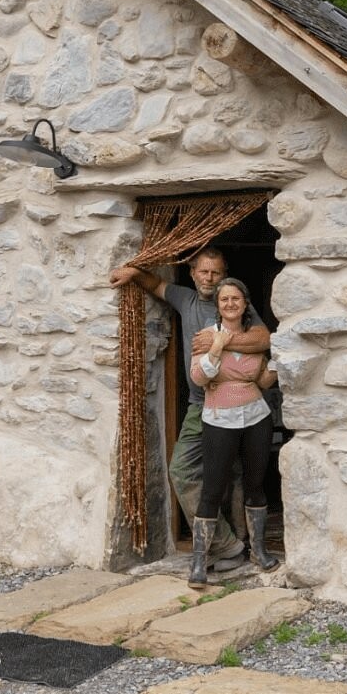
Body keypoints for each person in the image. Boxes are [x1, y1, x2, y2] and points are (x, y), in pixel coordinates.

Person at [109, 247, 268, 573]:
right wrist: (134, 274)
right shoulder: (187, 300)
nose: (209, 279)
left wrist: (218, 343)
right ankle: (227, 544)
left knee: (242, 477)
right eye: (203, 272)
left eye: (216, 273)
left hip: (245, 406)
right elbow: (157, 286)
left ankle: (247, 547)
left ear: (225, 274)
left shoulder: (239, 305)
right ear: (193, 273)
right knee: (183, 471)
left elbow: (264, 340)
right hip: (201, 407)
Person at [189, 278, 280, 585]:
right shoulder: (206, 336)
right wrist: (217, 345)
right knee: (213, 489)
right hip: (219, 418)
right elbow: (200, 377)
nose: (230, 304)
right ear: (218, 306)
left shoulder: (255, 337)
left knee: (256, 484)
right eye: (224, 300)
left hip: (256, 416)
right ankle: (199, 563)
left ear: (245, 303)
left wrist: (279, 360)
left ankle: (259, 552)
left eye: (235, 299)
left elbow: (263, 382)